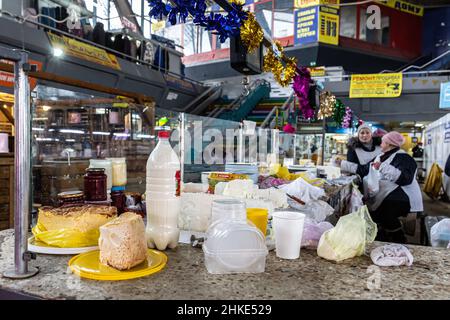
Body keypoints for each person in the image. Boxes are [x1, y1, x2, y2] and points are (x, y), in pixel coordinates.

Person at [340, 131, 423, 243]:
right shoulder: (380, 156)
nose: (381, 144)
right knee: (373, 211)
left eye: (383, 142)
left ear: (389, 144)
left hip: (405, 197)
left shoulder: (404, 157)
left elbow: (405, 179)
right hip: (390, 195)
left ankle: (399, 239)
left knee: (384, 212)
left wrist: (382, 167)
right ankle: (383, 236)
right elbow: (364, 169)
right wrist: (342, 164)